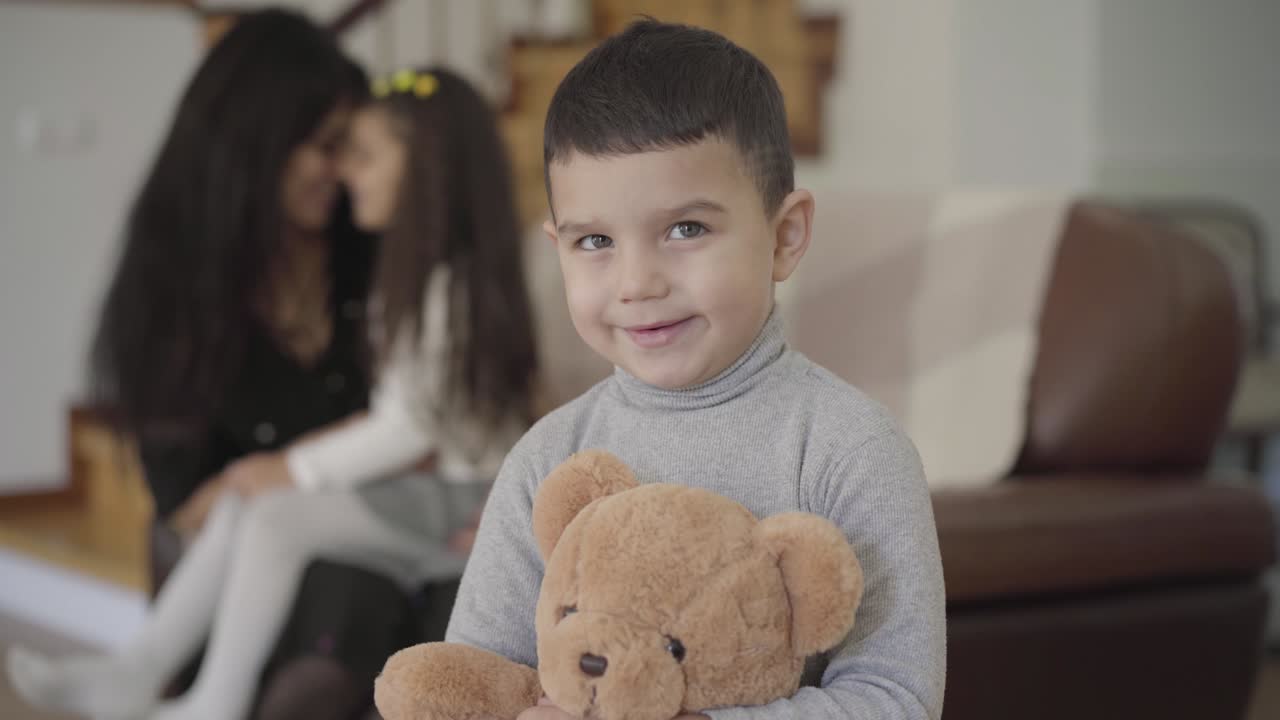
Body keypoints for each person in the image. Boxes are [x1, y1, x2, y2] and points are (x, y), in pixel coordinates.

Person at [445, 19, 946, 720]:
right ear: (556, 248)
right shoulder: (548, 458)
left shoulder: (850, 448)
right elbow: (484, 672)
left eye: (687, 229)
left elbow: (896, 698)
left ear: (784, 236)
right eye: (595, 241)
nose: (637, 282)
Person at [3, 9, 420, 720]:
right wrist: (288, 482)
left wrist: (291, 471)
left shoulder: (375, 249)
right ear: (256, 145)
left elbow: (420, 427)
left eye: (351, 148)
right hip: (244, 577)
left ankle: (181, 688)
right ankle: (157, 675)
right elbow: (190, 509)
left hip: (372, 540)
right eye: (324, 148)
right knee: (293, 565)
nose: (342, 172)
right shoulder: (175, 295)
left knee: (344, 602)